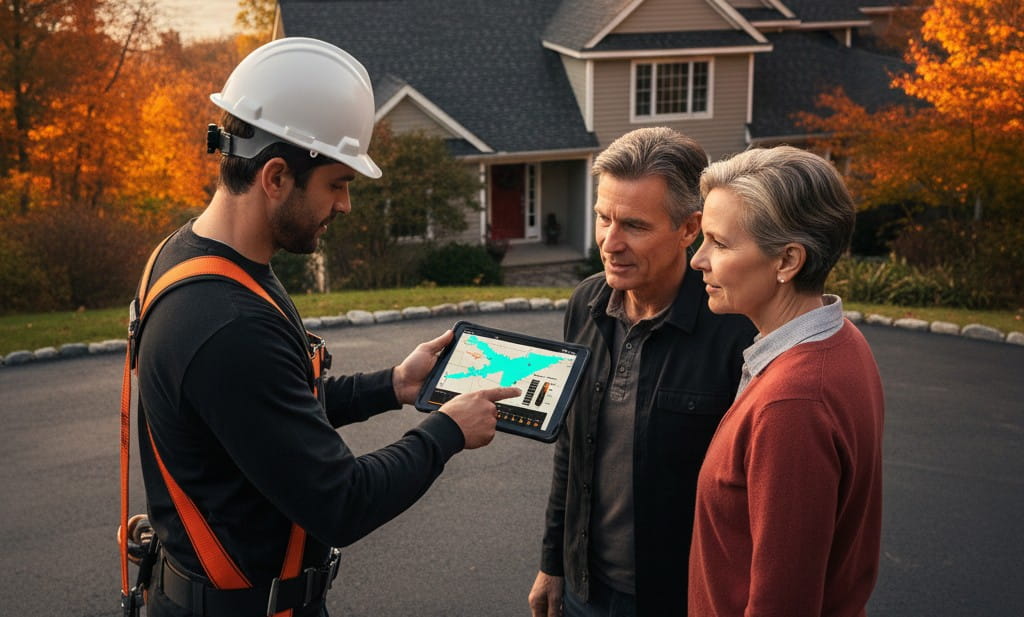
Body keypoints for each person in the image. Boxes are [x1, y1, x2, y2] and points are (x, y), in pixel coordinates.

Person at [131, 37, 518, 617]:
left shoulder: (195, 258)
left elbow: (272, 410)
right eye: (337, 183)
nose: (345, 206)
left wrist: (392, 385)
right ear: (276, 176)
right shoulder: (226, 325)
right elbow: (341, 502)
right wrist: (447, 432)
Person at [528, 127, 757, 617]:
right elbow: (571, 448)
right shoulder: (586, 302)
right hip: (582, 590)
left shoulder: (736, 331)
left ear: (689, 228)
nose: (610, 243)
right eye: (602, 218)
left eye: (633, 225)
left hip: (681, 599)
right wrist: (553, 564)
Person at [687, 146, 885, 616]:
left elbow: (784, 601)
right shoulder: (842, 340)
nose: (698, 260)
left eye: (720, 242)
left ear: (787, 261)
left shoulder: (793, 402)